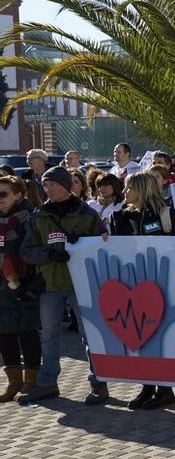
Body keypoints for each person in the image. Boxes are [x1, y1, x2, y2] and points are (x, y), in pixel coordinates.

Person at [106, 172, 175, 410]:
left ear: (143, 190)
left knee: (158, 339)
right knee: (140, 338)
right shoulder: (120, 216)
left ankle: (165, 390)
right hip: (133, 283)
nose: (125, 193)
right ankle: (147, 387)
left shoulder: (165, 213)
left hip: (161, 283)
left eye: (129, 189)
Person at [18, 166, 106, 405]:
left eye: (52, 184)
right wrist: (49, 254)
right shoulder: (39, 216)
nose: (48, 189)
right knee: (49, 336)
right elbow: (26, 251)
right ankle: (48, 383)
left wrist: (86, 244)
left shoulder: (86, 214)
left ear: (66, 186)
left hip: (82, 284)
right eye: (45, 185)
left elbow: (104, 244)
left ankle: (99, 382)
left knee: (90, 336)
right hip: (50, 284)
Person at [0, 176, 40, 402]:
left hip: (26, 284)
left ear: (18, 195)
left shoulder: (31, 219)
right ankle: (13, 382)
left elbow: (35, 252)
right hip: (2, 286)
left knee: (27, 332)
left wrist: (30, 285)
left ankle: (31, 380)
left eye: (3, 194)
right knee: (5, 334)